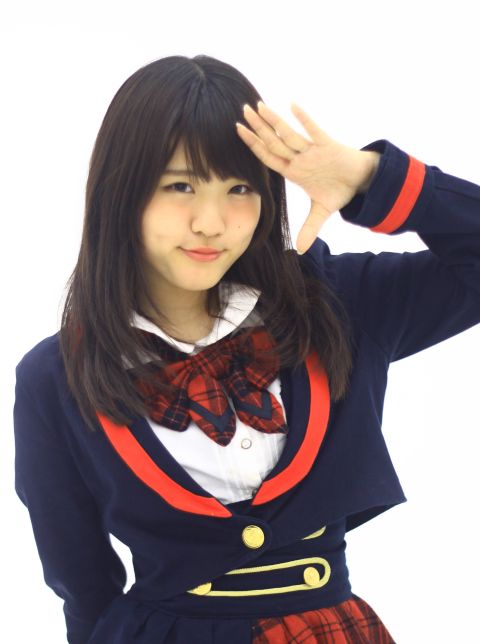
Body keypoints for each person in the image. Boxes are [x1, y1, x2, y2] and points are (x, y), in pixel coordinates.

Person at [13, 53, 480, 644]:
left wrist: (369, 178)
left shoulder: (334, 304)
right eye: (180, 185)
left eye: (239, 187)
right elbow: (81, 584)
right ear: (121, 192)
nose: (211, 222)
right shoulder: (56, 377)